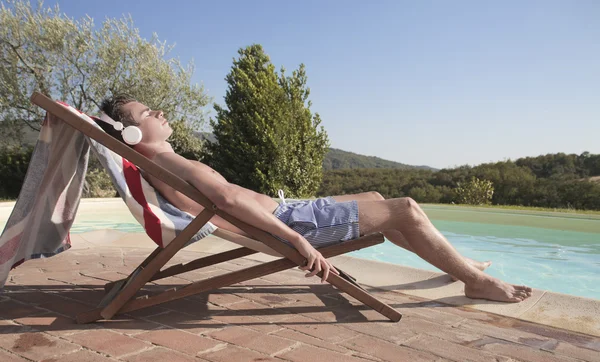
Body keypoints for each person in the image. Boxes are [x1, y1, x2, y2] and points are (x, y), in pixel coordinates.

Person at [99, 95, 532, 303]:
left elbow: (226, 202)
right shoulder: (171, 164)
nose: (157, 112)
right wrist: (297, 240)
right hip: (295, 223)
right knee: (406, 209)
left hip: (291, 212)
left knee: (379, 197)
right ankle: (473, 281)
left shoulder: (166, 161)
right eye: (145, 113)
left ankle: (461, 264)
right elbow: (228, 200)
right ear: (132, 133)